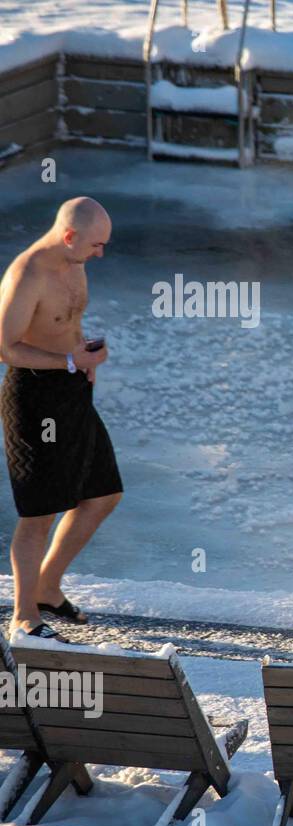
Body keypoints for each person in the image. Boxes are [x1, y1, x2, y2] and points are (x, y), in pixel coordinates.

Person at [0, 197, 120, 641]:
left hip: (73, 389)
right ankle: (24, 616)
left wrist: (83, 355)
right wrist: (69, 361)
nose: (100, 254)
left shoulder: (75, 260)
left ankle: (48, 587)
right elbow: (5, 347)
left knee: (104, 494)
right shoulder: (27, 274)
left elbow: (64, 323)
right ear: (70, 236)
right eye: (96, 245)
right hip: (34, 397)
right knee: (39, 514)